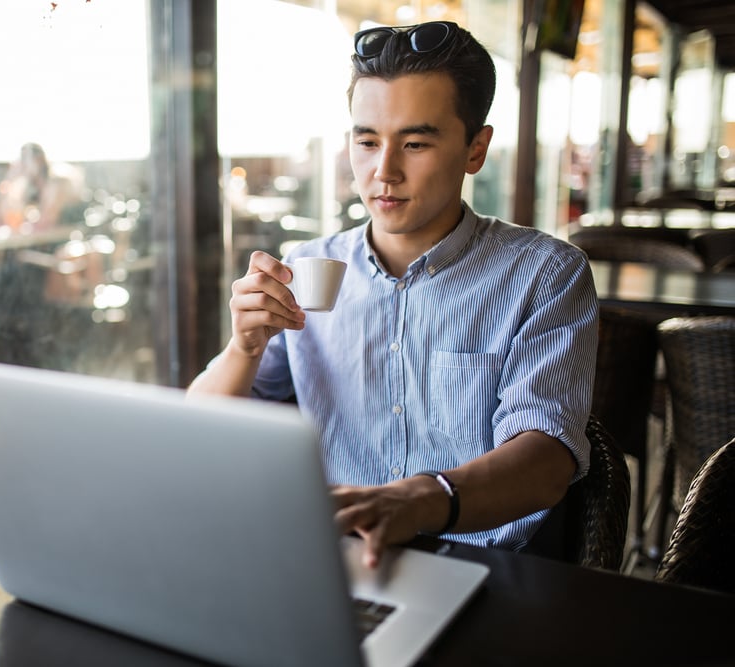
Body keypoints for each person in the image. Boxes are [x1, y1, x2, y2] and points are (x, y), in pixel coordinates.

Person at [187, 21, 598, 568]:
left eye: (415, 143)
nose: (384, 172)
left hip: (486, 565)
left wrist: (419, 500)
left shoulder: (545, 273)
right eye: (367, 141)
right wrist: (244, 348)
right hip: (335, 558)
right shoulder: (307, 268)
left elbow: (546, 459)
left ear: (476, 149)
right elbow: (200, 426)